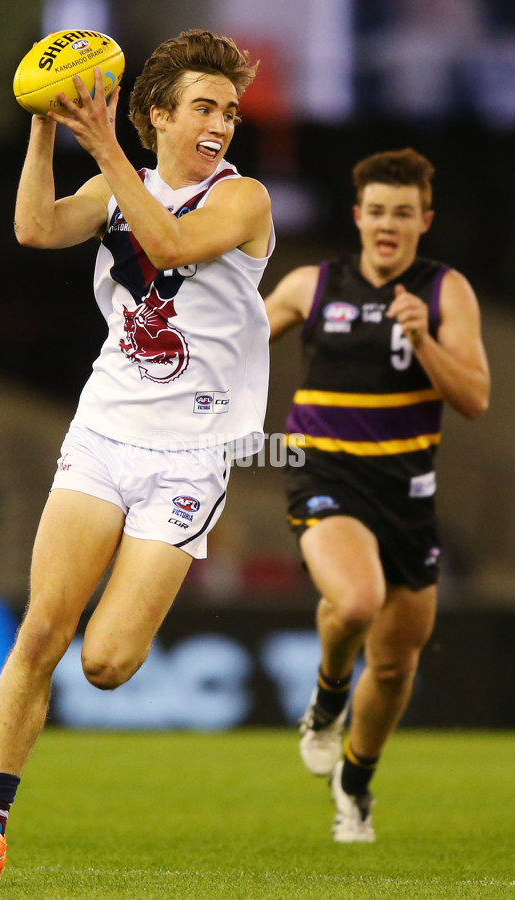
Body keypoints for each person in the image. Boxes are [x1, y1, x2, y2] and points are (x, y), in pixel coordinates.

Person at [0, 29, 273, 884]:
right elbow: (32, 227)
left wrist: (106, 150)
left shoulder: (246, 203)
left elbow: (165, 244)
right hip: (103, 434)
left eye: (229, 111)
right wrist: (45, 124)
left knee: (107, 662)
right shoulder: (112, 182)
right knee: (42, 630)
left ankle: (121, 613)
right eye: (204, 106)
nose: (221, 124)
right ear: (159, 114)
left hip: (189, 459)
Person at [265, 148, 489, 842]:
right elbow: (234, 342)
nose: (388, 224)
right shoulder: (313, 284)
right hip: (324, 476)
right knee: (356, 600)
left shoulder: (445, 292)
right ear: (358, 216)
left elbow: (475, 398)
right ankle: (327, 698)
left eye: (404, 212)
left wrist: (423, 339)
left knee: (395, 665)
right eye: (377, 211)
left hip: (407, 496)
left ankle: (355, 786)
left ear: (424, 220)